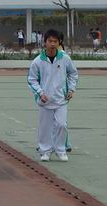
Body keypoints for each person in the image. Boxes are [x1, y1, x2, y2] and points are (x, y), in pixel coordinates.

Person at [27, 29, 78, 162]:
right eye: (50, 41)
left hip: (61, 99)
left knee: (61, 125)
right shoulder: (38, 61)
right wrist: (40, 93)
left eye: (55, 41)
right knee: (45, 127)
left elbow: (73, 73)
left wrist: (71, 89)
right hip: (44, 101)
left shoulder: (65, 58)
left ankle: (60, 150)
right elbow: (32, 80)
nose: (52, 44)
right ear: (45, 42)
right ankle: (45, 151)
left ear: (59, 42)